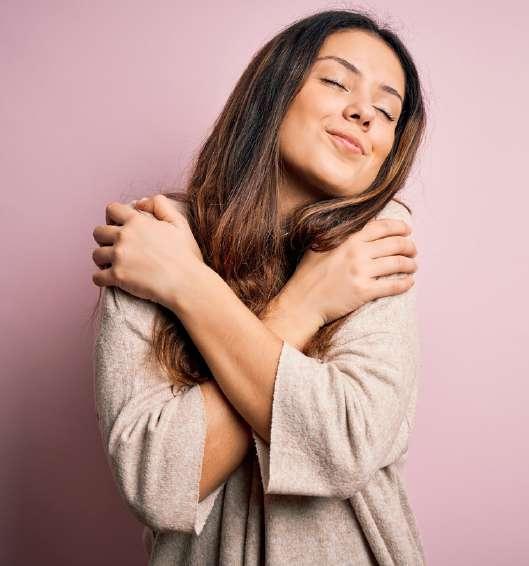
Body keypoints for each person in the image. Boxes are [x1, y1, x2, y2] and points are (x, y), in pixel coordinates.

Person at [91, 8, 427, 565]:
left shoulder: (375, 247)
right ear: (273, 91)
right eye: (336, 81)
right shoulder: (158, 241)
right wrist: (304, 307)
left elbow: (343, 443)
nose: (363, 112)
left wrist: (185, 285)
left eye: (387, 110)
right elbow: (156, 479)